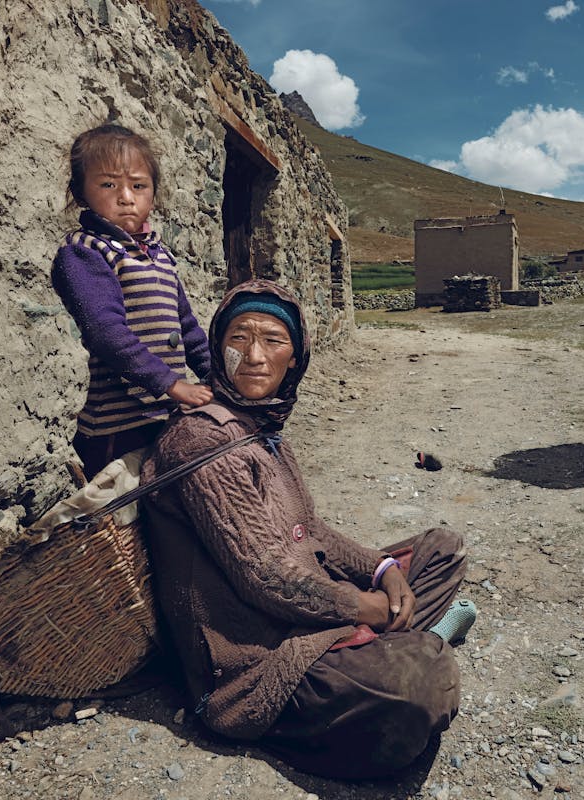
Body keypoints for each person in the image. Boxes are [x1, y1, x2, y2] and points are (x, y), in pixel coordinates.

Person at [140, 280, 476, 779]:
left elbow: (309, 529)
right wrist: (362, 606)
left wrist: (383, 571)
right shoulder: (201, 440)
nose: (255, 356)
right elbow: (264, 575)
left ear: (294, 358)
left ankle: (381, 642)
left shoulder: (263, 427)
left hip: (310, 603)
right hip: (260, 655)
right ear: (217, 348)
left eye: (273, 341)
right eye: (239, 338)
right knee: (428, 682)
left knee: (442, 549)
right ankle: (392, 645)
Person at [52, 124, 213, 477]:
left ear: (153, 194)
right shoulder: (84, 252)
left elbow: (187, 328)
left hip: (166, 415)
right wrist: (171, 384)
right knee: (126, 520)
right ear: (81, 192)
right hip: (117, 429)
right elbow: (106, 334)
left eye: (138, 185)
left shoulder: (160, 255)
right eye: (108, 185)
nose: (126, 196)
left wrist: (217, 377)